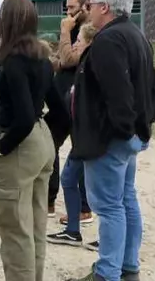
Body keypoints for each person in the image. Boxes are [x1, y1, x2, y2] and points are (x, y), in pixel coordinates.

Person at [66, 0, 155, 281]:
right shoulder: (137, 35)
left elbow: (118, 94)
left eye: (92, 4)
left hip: (109, 140)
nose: (88, 9)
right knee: (125, 200)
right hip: (129, 136)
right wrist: (142, 127)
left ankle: (108, 273)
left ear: (105, 7)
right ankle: (128, 267)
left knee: (109, 207)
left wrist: (121, 131)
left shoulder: (109, 40)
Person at [0, 0, 69, 281]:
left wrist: (2, 147)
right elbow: (62, 113)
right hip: (41, 139)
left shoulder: (14, 62)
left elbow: (22, 116)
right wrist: (48, 140)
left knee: (15, 231)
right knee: (35, 226)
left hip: (21, 142)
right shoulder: (42, 59)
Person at [48, 22, 99, 249]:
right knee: (70, 179)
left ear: (89, 43)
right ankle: (73, 230)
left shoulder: (91, 68)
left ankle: (101, 237)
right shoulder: (84, 67)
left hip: (89, 138)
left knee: (109, 194)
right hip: (82, 137)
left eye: (79, 41)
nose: (75, 44)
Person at [48, 0, 93, 219]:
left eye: (72, 8)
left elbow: (69, 59)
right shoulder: (71, 28)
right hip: (61, 97)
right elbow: (61, 59)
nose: (68, 13)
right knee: (49, 143)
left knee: (80, 149)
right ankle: (49, 200)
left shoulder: (88, 30)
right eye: (66, 8)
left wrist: (65, 32)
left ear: (86, 6)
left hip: (78, 98)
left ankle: (84, 208)